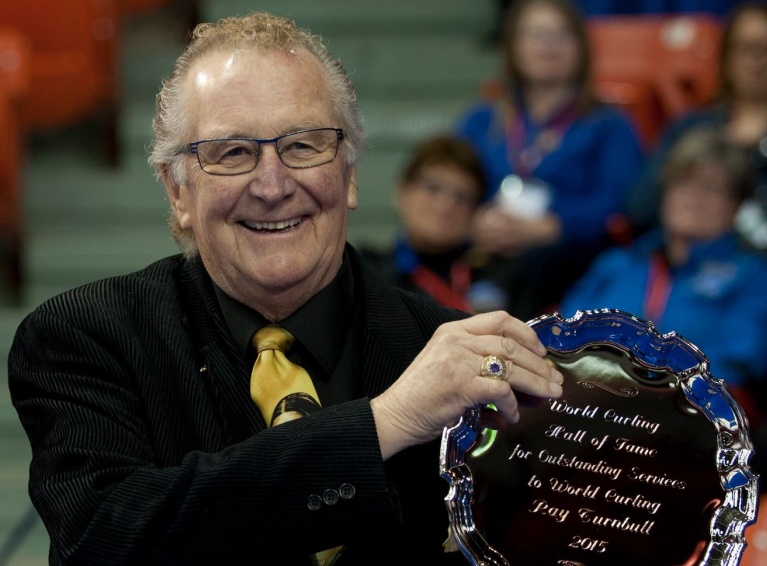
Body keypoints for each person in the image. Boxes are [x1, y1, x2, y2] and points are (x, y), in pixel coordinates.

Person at [6, 11, 564, 565]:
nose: (272, 186)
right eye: (232, 152)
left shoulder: (459, 362)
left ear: (349, 175)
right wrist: (383, 425)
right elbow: (104, 541)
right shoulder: (85, 338)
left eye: (303, 146)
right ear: (177, 192)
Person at [558, 127, 767, 424]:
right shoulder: (619, 263)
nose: (695, 198)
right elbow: (565, 332)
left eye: (713, 189)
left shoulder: (754, 277)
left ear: (736, 206)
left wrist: (649, 384)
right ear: (664, 192)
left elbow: (739, 363)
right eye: (684, 183)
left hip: (687, 415)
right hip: (588, 401)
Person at [455, 0, 645, 321]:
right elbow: (451, 177)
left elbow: (619, 202)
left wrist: (553, 227)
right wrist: (475, 219)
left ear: (582, 47)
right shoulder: (481, 120)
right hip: (486, 245)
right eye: (535, 34)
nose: (548, 46)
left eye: (561, 35)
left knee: (535, 265)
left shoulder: (610, 125)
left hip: (567, 254)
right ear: (513, 46)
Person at [626, 2, 767, 264]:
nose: (757, 60)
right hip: (686, 265)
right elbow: (640, 208)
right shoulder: (690, 127)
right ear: (725, 58)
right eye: (745, 48)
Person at [359, 134, 510, 313]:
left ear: (476, 210)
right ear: (402, 192)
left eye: (461, 197)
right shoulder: (365, 274)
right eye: (433, 188)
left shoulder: (501, 275)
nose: (444, 205)